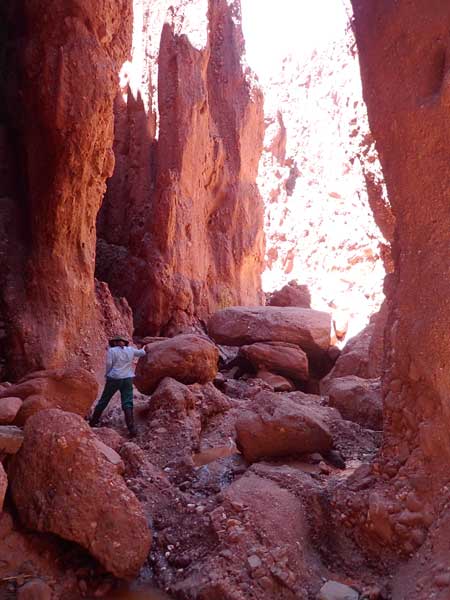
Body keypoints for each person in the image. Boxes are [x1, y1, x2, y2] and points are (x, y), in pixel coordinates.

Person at [89, 335, 146, 437]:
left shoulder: (112, 351)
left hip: (114, 378)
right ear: (124, 342)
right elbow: (142, 353)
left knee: (104, 399)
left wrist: (107, 374)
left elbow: (109, 363)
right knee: (127, 402)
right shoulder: (130, 350)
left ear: (115, 342)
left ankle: (93, 422)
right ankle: (131, 429)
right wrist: (145, 347)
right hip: (127, 378)